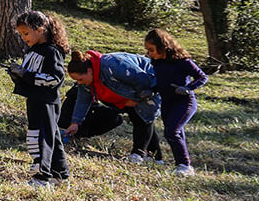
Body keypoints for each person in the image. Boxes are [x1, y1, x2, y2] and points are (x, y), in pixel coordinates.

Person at [65, 50, 163, 163]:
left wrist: (137, 98)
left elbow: (142, 79)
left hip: (150, 84)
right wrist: (75, 123)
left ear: (89, 71)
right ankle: (156, 157)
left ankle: (138, 154)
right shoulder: (86, 84)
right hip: (130, 96)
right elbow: (82, 101)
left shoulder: (112, 64)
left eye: (80, 79)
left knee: (143, 119)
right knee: (140, 119)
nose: (79, 83)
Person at [8, 11, 71, 187]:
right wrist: (17, 74)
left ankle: (41, 178)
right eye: (21, 34)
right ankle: (60, 174)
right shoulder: (33, 50)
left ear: (41, 29)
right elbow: (30, 76)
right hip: (35, 100)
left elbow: (54, 78)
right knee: (52, 136)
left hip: (46, 102)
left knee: (40, 137)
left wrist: (26, 74)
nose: (23, 37)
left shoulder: (51, 52)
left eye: (26, 33)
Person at [144, 28, 208, 176]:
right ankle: (182, 165)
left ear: (163, 46)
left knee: (172, 131)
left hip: (184, 102)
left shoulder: (182, 62)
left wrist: (188, 88)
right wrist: (151, 90)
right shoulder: (157, 63)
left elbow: (202, 77)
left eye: (152, 50)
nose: (149, 54)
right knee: (177, 133)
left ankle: (185, 166)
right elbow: (161, 82)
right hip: (167, 103)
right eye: (148, 50)